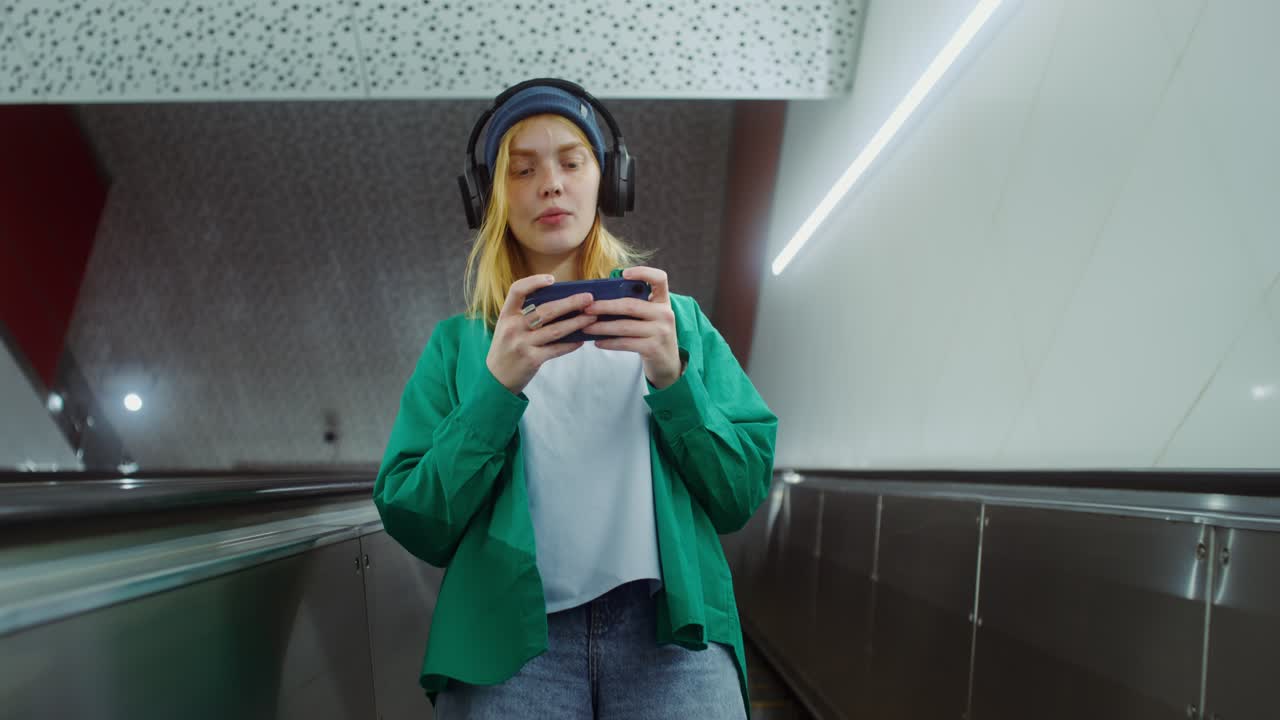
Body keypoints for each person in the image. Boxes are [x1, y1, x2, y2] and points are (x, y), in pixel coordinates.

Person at [374, 78, 778, 719]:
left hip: (671, 637)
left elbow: (739, 496)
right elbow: (417, 520)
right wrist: (495, 390)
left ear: (608, 180)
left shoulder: (678, 323)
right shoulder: (458, 346)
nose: (551, 184)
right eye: (522, 169)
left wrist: (674, 379)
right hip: (509, 648)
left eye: (571, 161)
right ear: (492, 197)